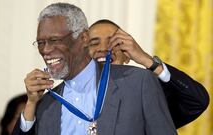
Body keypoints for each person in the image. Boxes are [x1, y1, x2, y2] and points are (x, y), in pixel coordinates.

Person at [12, 3, 177, 135]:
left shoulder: (138, 83)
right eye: (41, 43)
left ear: (83, 38)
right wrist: (31, 104)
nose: (46, 50)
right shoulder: (45, 105)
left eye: (54, 40)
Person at [88, 19, 209, 128]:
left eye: (113, 43)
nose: (103, 48)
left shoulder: (144, 96)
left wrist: (147, 60)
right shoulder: (70, 93)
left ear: (126, 56)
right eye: (93, 43)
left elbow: (197, 101)